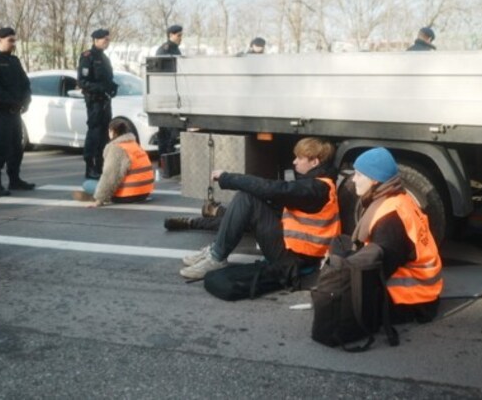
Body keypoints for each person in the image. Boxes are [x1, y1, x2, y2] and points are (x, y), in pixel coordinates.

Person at [179, 137, 341, 282]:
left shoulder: (315, 188)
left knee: (247, 198)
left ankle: (216, 257)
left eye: (299, 158)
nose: (294, 161)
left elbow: (272, 188)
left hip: (294, 260)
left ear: (315, 162)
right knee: (252, 198)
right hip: (297, 254)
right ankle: (216, 251)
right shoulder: (317, 184)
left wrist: (227, 178)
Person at [349, 147, 443, 323]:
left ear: (375, 180)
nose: (353, 179)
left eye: (359, 174)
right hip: (423, 290)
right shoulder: (400, 198)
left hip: (412, 299)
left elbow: (380, 268)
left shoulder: (389, 218)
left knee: (349, 303)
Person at [0, 27, 34, 196]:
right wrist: (13, 100)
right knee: (0, 148)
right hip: (0, 112)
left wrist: (25, 100)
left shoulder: (14, 61)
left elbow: (25, 84)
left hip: (15, 112)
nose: (13, 44)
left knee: (16, 147)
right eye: (10, 40)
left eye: (14, 40)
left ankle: (14, 179)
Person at [74, 119, 154, 207]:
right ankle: (96, 195)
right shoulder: (134, 145)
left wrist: (99, 200)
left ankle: (95, 197)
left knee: (87, 184)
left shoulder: (117, 148)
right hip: (145, 193)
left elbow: (110, 176)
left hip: (128, 195)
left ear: (112, 132)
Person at [78, 28, 118, 179]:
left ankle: (101, 167)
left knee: (104, 136)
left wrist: (112, 87)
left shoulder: (105, 58)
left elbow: (107, 79)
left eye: (108, 40)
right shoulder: (88, 57)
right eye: (104, 40)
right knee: (94, 134)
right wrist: (100, 88)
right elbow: (82, 82)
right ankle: (90, 167)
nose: (107, 42)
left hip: (105, 102)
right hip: (94, 101)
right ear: (96, 40)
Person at [155, 24, 184, 155]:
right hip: (166, 94)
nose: (180, 38)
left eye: (181, 36)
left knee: (172, 134)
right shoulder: (164, 50)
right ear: (170, 35)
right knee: (166, 133)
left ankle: (168, 156)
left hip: (174, 93)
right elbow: (160, 73)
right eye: (178, 35)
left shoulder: (176, 49)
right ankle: (164, 159)